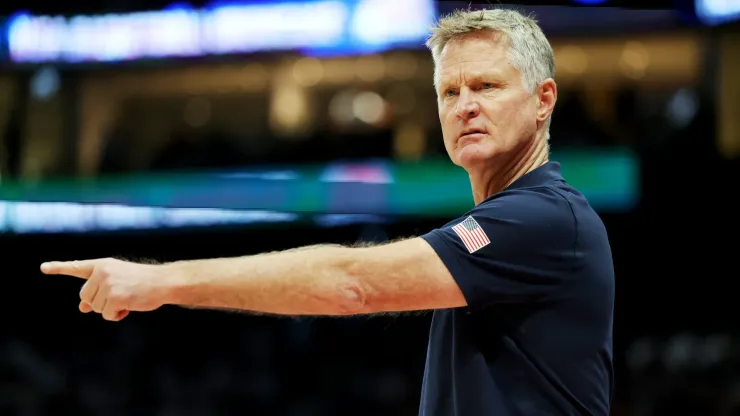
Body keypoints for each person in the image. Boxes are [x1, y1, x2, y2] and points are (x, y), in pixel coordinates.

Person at [41, 8, 614, 416]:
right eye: (449, 92)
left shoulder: (543, 219)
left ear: (543, 100)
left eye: (486, 86)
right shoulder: (519, 221)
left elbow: (351, 284)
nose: (465, 107)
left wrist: (158, 281)